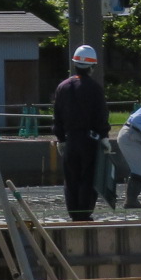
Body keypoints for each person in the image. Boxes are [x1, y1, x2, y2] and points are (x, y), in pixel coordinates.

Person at [52, 45, 109, 222]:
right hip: (89, 140)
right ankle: (85, 214)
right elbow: (101, 115)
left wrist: (60, 139)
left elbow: (57, 115)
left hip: (70, 140)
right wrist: (104, 137)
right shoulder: (95, 88)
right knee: (88, 177)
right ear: (92, 66)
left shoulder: (62, 87)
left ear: (75, 63)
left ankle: (74, 215)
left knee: (71, 178)